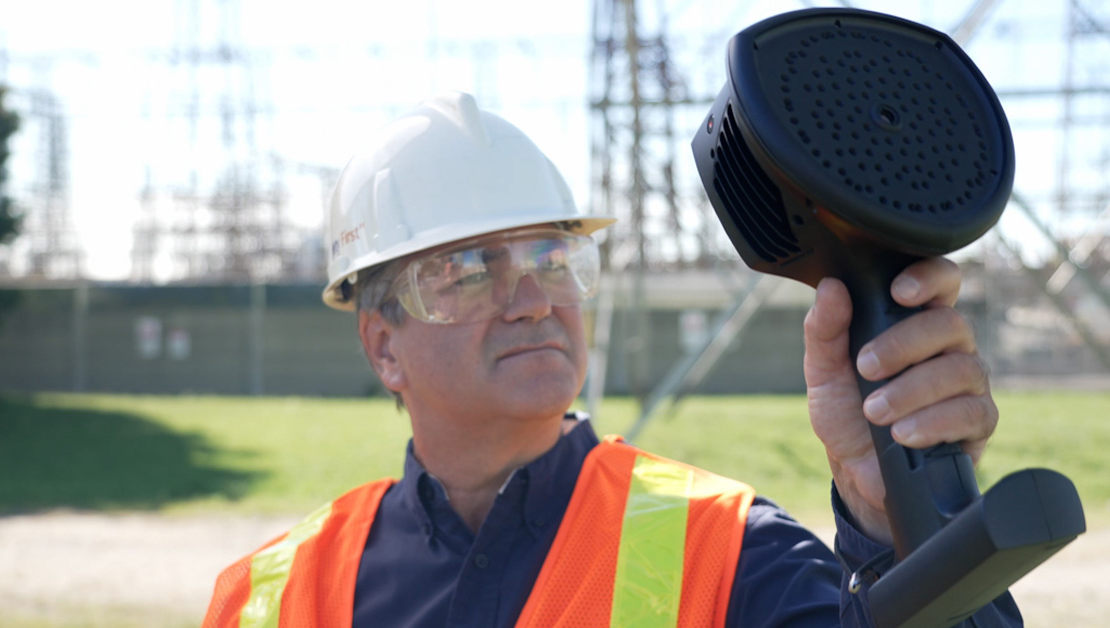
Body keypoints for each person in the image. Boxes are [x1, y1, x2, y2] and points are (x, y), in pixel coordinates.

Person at [201, 91, 1021, 628]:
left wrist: (902, 522)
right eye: (467, 271)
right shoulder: (269, 600)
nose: (532, 298)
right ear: (383, 344)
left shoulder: (729, 553)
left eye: (551, 258)